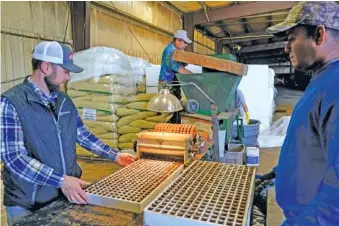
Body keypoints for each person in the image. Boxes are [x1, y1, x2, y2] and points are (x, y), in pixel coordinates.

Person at [1, 41, 136, 225]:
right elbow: (14, 158)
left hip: (62, 195)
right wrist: (61, 180)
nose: (68, 77)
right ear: (46, 67)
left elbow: (81, 134)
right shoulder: (12, 102)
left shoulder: (63, 100)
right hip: (27, 203)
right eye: (65, 71)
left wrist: (115, 155)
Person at [260, 1, 339, 225]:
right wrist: (278, 173)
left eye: (292, 37)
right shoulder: (322, 79)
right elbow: (311, 145)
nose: (286, 47)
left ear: (319, 35)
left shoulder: (336, 86)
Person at [159, 30, 193, 123]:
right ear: (178, 41)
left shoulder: (177, 51)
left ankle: (176, 131)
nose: (186, 45)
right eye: (184, 42)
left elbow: (182, 65)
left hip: (175, 83)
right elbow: (177, 68)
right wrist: (194, 76)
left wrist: (185, 61)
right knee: (168, 112)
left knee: (177, 109)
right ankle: (167, 134)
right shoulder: (170, 51)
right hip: (167, 84)